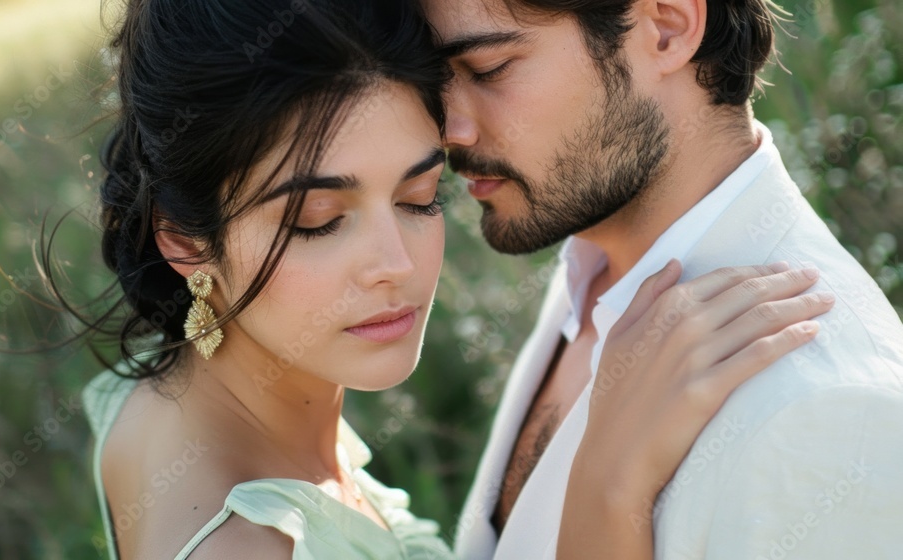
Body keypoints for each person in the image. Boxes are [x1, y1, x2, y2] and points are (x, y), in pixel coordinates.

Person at [76, 0, 832, 558]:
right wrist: (606, 491)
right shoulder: (243, 546)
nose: (397, 266)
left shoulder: (166, 400)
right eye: (316, 220)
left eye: (417, 198)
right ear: (185, 243)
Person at [418, 0, 903, 558]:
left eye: (488, 68)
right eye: (434, 78)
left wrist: (606, 495)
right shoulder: (594, 267)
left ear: (667, 28)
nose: (449, 129)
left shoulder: (832, 415)